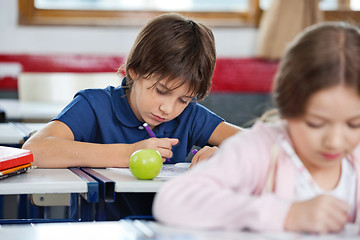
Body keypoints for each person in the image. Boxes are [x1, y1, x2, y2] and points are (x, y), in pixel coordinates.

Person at [153, 21, 360, 234]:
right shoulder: (259, 150)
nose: (334, 141)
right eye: (316, 124)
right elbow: (172, 202)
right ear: (288, 105)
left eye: (354, 124)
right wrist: (285, 214)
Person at [22, 13, 241, 169]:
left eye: (183, 99)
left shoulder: (190, 116)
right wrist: (128, 153)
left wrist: (224, 155)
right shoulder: (95, 106)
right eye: (161, 91)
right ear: (134, 71)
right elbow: (35, 149)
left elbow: (265, 147)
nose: (168, 108)